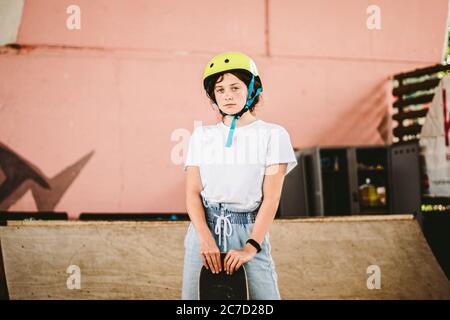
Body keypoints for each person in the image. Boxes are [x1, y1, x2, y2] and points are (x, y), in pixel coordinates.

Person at [182, 52, 297, 300]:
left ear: (252, 89)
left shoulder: (274, 135)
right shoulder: (201, 136)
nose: (227, 95)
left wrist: (251, 245)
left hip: (248, 230)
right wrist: (205, 240)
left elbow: (271, 198)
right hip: (203, 230)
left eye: (235, 87)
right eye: (220, 90)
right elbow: (192, 193)